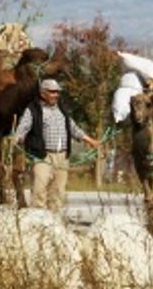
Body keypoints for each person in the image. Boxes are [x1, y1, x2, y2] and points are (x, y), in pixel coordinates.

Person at [12, 78, 100, 212]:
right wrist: (17, 137)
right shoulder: (33, 109)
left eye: (57, 92)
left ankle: (54, 221)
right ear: (43, 93)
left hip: (62, 156)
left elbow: (73, 128)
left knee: (58, 191)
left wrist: (90, 140)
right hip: (43, 156)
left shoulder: (62, 110)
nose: (56, 95)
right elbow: (24, 125)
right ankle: (37, 217)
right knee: (39, 188)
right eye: (52, 92)